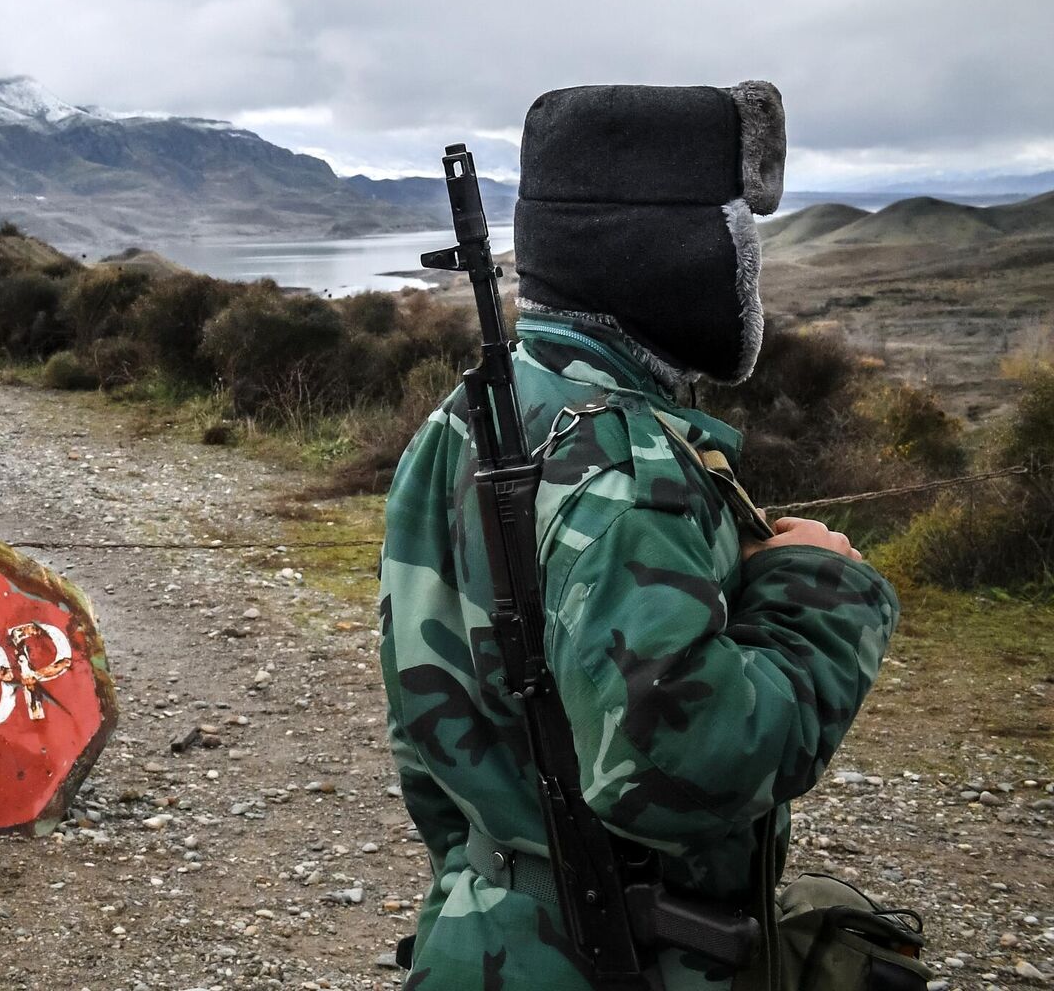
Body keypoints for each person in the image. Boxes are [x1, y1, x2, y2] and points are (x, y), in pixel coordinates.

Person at [378, 82, 899, 990]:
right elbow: (681, 763)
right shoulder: (622, 456)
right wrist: (817, 588)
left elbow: (422, 726)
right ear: (665, 247)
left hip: (482, 937)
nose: (751, 274)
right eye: (740, 233)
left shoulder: (473, 416)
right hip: (615, 960)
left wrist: (500, 876)